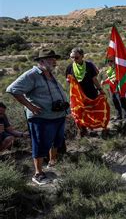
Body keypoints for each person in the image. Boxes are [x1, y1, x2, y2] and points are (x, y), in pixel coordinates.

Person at [6, 49, 69, 185]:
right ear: (41, 61)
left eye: (54, 59)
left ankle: (52, 164)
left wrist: (66, 112)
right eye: (50, 59)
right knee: (40, 144)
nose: (54, 61)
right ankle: (38, 174)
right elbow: (12, 89)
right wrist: (31, 107)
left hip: (57, 116)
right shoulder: (32, 74)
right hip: (42, 118)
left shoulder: (50, 74)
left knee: (56, 141)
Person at [66, 48, 107, 135]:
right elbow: (68, 81)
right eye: (72, 57)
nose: (74, 60)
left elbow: (94, 79)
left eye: (76, 57)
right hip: (78, 96)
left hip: (90, 92)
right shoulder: (70, 67)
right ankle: (82, 129)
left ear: (82, 56)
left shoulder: (89, 65)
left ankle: (92, 127)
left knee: (92, 110)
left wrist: (100, 89)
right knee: (80, 112)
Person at [102, 57, 126, 123]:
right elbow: (110, 78)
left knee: (122, 102)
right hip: (112, 88)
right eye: (108, 61)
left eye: (111, 61)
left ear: (115, 61)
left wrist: (117, 79)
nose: (109, 63)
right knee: (115, 102)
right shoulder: (110, 69)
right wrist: (104, 82)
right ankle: (119, 116)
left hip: (119, 88)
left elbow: (124, 76)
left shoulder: (119, 69)